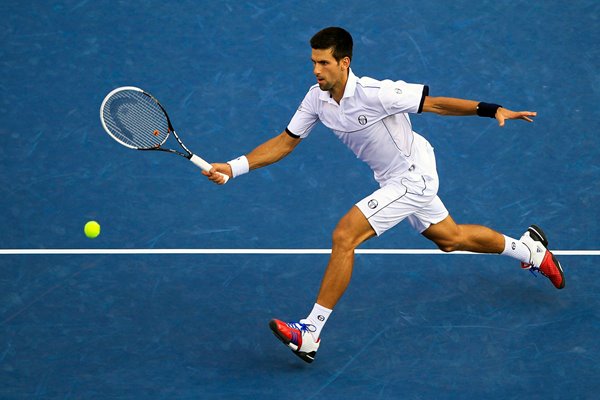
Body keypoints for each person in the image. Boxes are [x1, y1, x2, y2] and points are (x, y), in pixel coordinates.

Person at [203, 27, 565, 363]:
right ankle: (531, 250)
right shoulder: (316, 98)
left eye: (324, 62)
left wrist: (492, 110)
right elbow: (285, 141)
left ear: (344, 63)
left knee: (345, 235)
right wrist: (233, 167)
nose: (316, 70)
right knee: (450, 238)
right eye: (313, 62)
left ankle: (310, 331)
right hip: (392, 176)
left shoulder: (377, 93)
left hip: (413, 175)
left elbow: (436, 104)